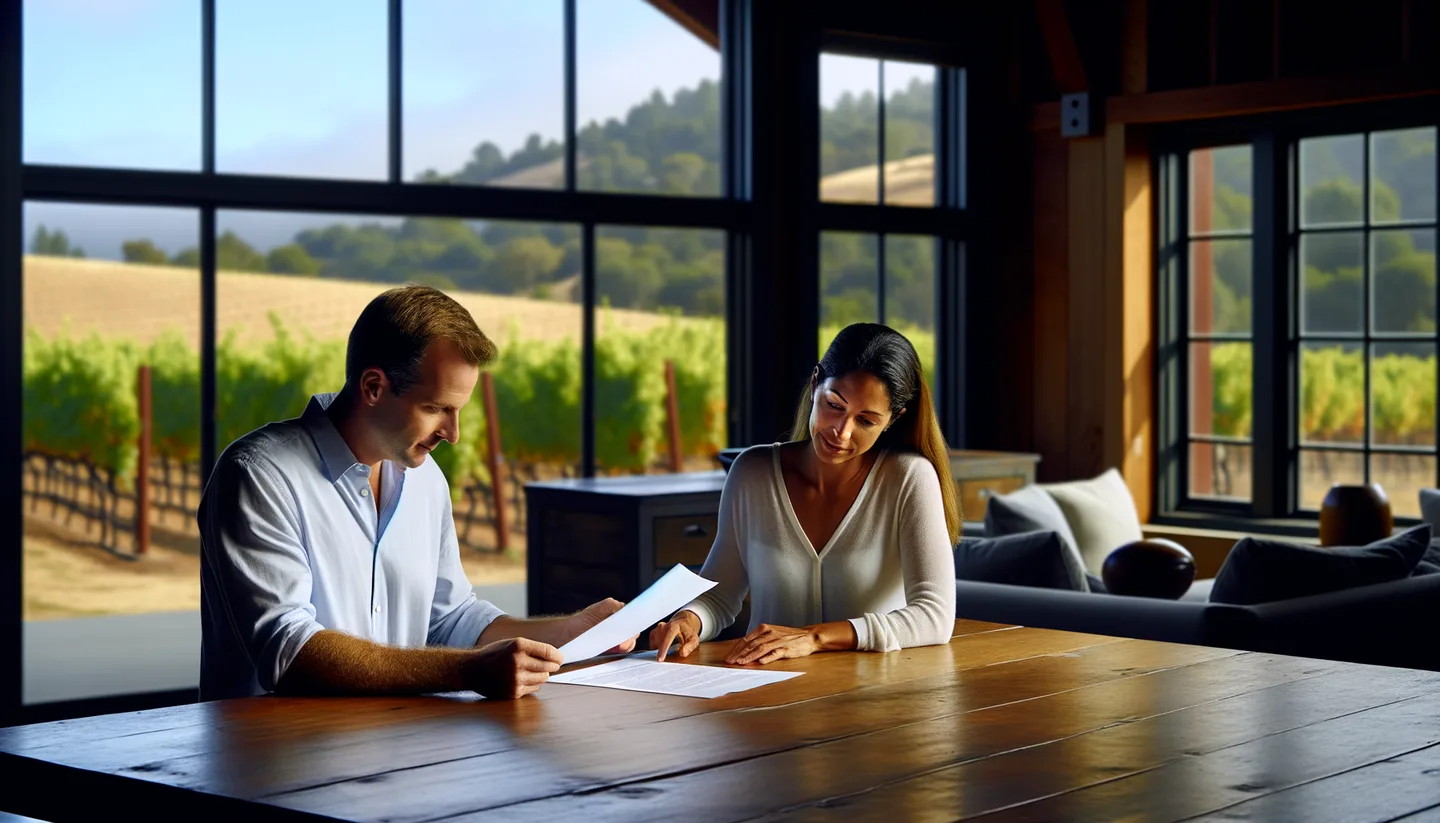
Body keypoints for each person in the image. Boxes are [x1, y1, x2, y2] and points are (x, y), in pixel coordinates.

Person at [198, 285, 635, 701]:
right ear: (373, 387)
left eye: (458, 411)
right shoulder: (257, 475)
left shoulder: (425, 481)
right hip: (271, 766)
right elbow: (288, 651)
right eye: (436, 409)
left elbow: (452, 619)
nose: (453, 434)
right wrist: (467, 670)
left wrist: (573, 630)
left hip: (394, 756)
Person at [649, 322, 960, 665]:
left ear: (892, 420)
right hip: (766, 694)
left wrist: (815, 638)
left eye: (866, 421)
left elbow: (934, 615)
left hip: (873, 698)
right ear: (815, 385)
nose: (842, 432)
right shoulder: (752, 474)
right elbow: (719, 595)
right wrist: (688, 620)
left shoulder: (908, 479)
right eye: (834, 405)